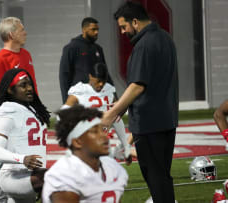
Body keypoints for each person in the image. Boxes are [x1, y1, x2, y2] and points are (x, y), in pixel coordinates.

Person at [102, 2, 179, 202]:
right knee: (162, 176)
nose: (122, 31)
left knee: (156, 178)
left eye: (123, 26)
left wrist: (112, 113)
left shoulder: (144, 45)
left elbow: (137, 85)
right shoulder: (165, 38)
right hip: (167, 121)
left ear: (135, 22)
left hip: (149, 124)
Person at [42, 105, 128, 203]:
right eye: (95, 132)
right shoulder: (64, 176)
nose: (104, 136)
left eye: (102, 130)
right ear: (77, 142)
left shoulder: (112, 167)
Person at [0, 68, 50, 203]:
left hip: (31, 175)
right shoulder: (7, 110)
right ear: (10, 90)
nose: (29, 88)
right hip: (13, 176)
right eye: (23, 85)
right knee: (55, 179)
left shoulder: (34, 110)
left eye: (30, 84)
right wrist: (22, 159)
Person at [63, 63, 131, 162]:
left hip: (102, 144)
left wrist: (126, 146)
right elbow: (63, 114)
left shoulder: (108, 90)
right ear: (90, 76)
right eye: (98, 81)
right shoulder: (80, 90)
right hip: (84, 145)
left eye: (103, 82)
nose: (101, 84)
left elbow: (116, 119)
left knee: (108, 172)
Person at [59, 17, 114, 103]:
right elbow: (64, 75)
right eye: (93, 29)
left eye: (97, 29)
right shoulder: (71, 48)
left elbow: (105, 73)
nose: (96, 32)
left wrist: (114, 94)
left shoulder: (98, 49)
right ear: (84, 30)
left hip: (98, 95)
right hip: (80, 97)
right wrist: (66, 100)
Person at [0, 17, 38, 105]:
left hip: (31, 108)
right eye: (21, 30)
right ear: (11, 35)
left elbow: (33, 83)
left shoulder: (26, 55)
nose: (25, 33)